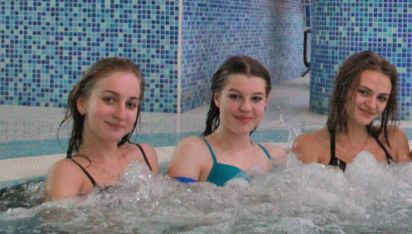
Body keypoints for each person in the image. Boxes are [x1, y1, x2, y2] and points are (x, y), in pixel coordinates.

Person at [46, 58, 159, 201]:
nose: (121, 115)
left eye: (130, 104)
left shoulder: (145, 156)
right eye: (109, 100)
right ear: (82, 104)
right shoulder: (68, 173)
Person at [167, 56, 286, 185]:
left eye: (256, 98)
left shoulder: (276, 156)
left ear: (266, 101)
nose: (246, 107)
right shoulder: (193, 151)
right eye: (235, 96)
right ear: (217, 98)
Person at [292, 51, 410, 169]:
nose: (372, 105)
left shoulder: (394, 140)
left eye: (381, 98)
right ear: (343, 89)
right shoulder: (310, 146)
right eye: (364, 92)